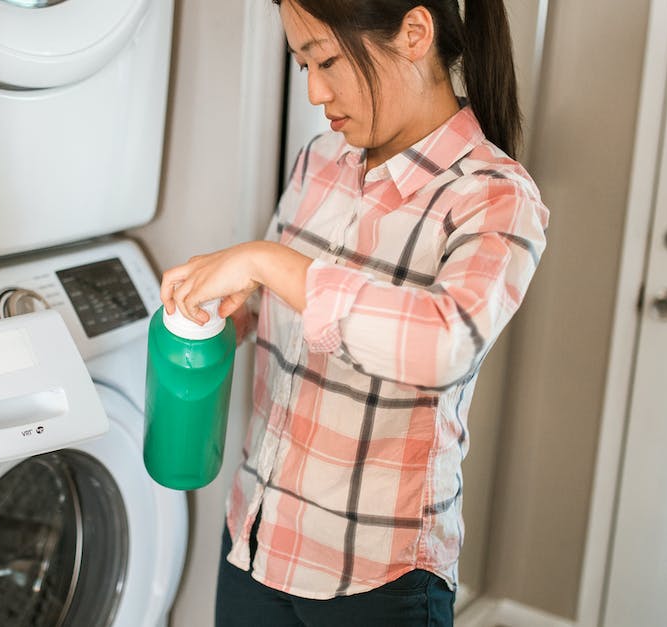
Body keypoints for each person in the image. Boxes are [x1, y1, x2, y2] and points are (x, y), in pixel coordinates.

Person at [159, 0, 549, 625]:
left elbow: (441, 346)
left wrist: (265, 262)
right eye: (302, 63)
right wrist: (222, 314)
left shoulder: (494, 197)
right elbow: (272, 305)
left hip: (376, 575)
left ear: (414, 33)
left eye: (327, 60)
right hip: (257, 537)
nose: (314, 90)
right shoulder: (319, 162)